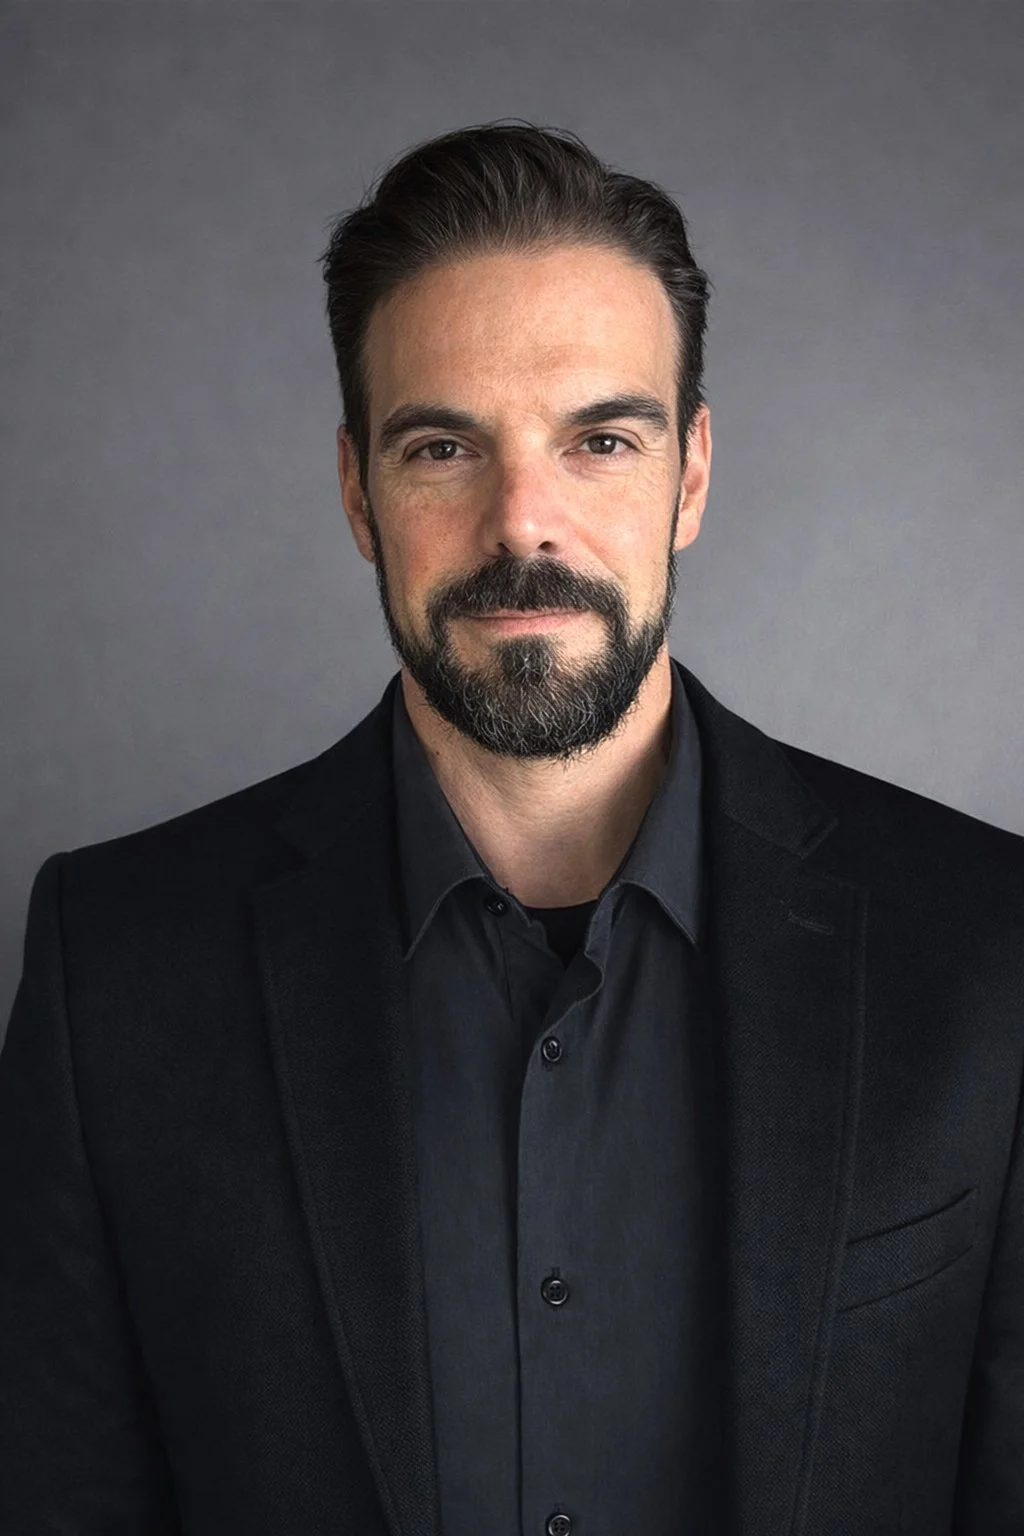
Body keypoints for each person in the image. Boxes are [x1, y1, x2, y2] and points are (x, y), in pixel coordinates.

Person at [0, 121, 1021, 1536]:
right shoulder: (112, 970)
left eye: (601, 438)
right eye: (442, 446)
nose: (521, 522)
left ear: (695, 475)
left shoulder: (988, 947)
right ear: (360, 490)